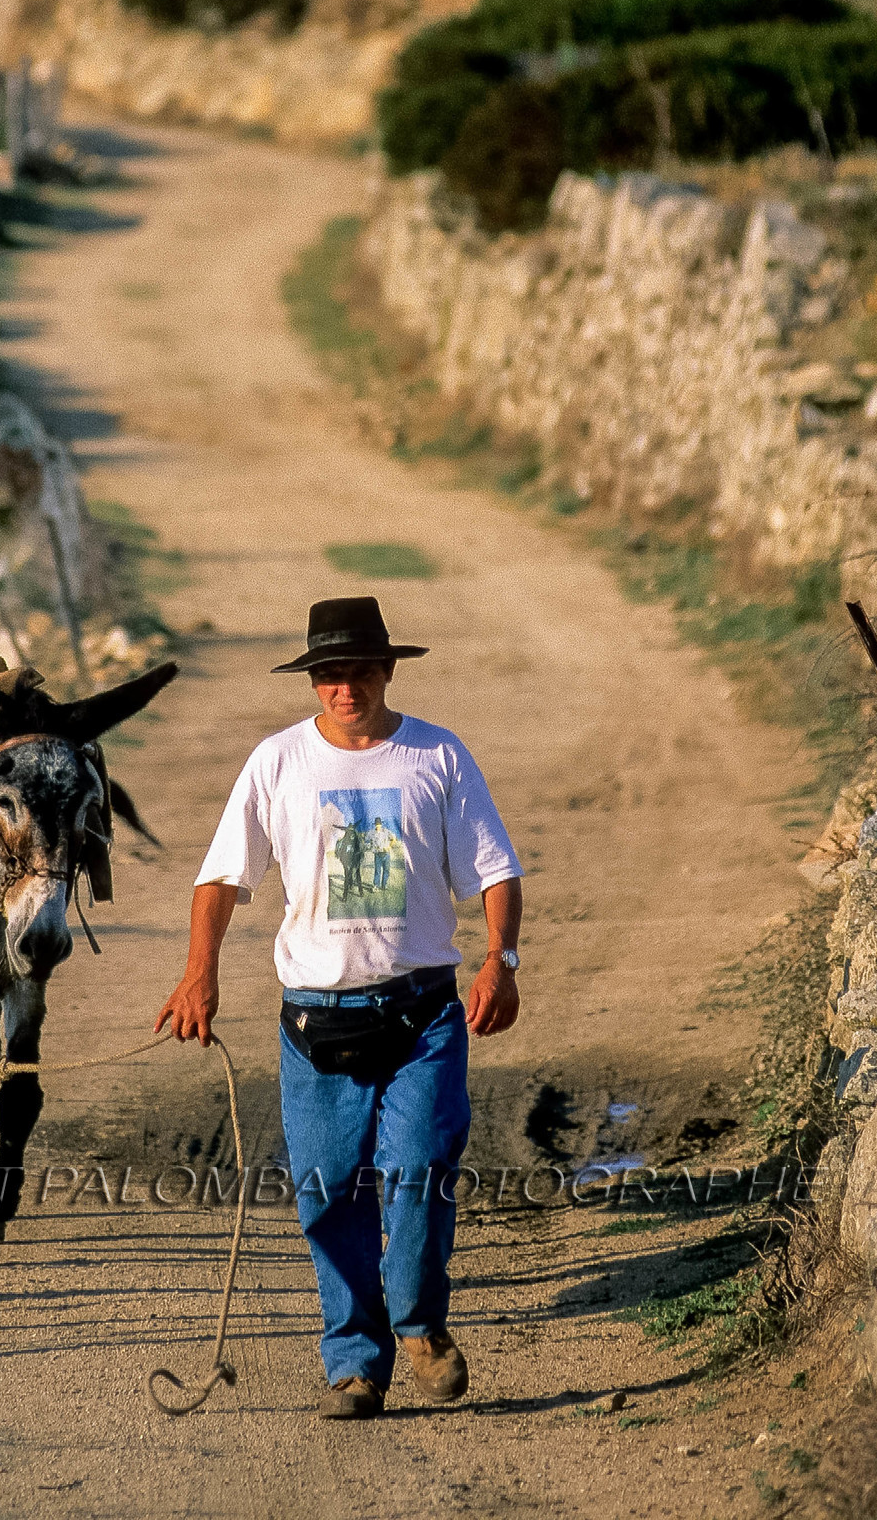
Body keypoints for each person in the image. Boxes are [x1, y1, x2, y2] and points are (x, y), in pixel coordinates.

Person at [156, 595, 522, 1419]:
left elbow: (496, 871)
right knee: (328, 1193)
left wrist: (501, 959)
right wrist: (198, 973)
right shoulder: (277, 762)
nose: (343, 686)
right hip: (315, 1021)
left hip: (423, 1014)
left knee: (419, 1171)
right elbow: (221, 878)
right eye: (328, 672)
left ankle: (419, 1323)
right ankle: (357, 1364)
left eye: (358, 669)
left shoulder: (438, 756)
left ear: (386, 669)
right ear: (313, 679)